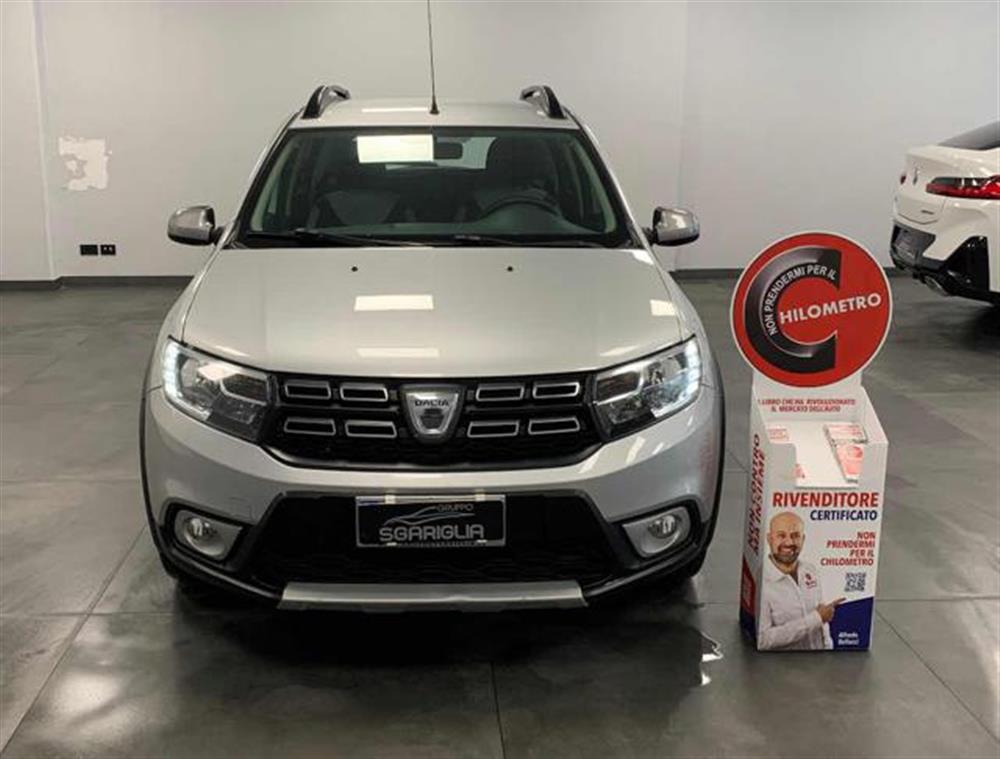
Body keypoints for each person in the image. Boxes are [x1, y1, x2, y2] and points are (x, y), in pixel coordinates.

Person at [759, 511, 843, 650]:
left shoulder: (810, 570)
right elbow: (763, 640)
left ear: (803, 539)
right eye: (781, 535)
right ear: (769, 539)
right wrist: (816, 619)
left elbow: (822, 621)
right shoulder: (763, 582)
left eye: (795, 536)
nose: (789, 542)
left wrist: (828, 648)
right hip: (784, 662)